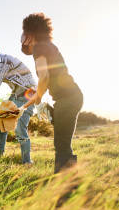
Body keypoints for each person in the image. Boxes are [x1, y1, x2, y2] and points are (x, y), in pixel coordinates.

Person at [18, 13, 83, 173]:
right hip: (70, 97)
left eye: (24, 32)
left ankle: (65, 183)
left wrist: (38, 97)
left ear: (30, 33)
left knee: (61, 143)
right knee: (62, 140)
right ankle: (69, 179)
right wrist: (31, 101)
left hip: (67, 99)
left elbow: (45, 77)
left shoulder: (39, 47)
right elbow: (46, 82)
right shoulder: (48, 45)